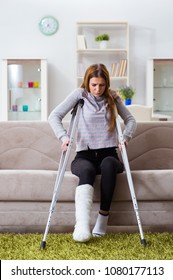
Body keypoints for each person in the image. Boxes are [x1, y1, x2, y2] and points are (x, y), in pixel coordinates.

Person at [48, 63, 136, 243]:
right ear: (87, 82)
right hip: (84, 155)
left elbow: (131, 120)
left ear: (107, 84)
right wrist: (63, 137)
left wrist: (125, 137)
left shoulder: (112, 98)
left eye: (102, 85)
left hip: (109, 154)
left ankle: (103, 218)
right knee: (86, 170)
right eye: (94, 84)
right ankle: (81, 225)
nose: (97, 89)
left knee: (109, 164)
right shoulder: (79, 95)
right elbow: (54, 116)